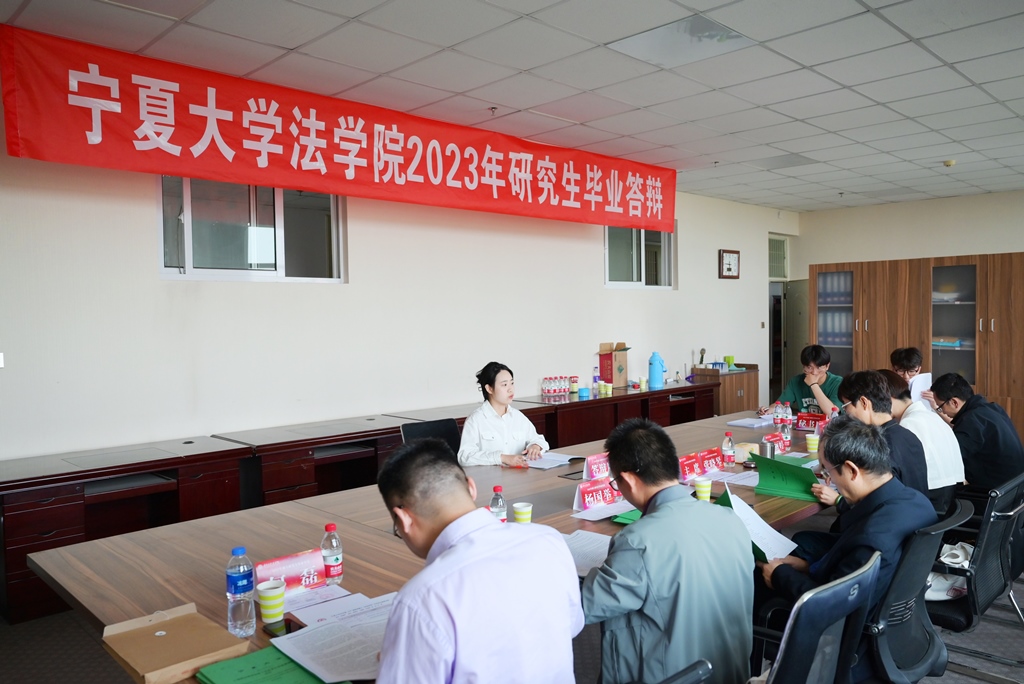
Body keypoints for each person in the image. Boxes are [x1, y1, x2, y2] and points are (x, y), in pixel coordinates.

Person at [377, 438, 583, 683]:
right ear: (471, 488)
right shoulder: (548, 540)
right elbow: (572, 625)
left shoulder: (422, 599)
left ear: (404, 520)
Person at [759, 418, 937, 682]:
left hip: (849, 640)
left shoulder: (871, 539)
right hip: (898, 630)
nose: (828, 480)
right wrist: (809, 567)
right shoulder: (916, 502)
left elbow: (832, 609)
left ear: (852, 470)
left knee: (755, 587)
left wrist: (780, 576)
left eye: (828, 471)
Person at [581, 419, 753, 684]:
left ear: (629, 479)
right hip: (732, 675)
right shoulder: (731, 519)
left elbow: (583, 607)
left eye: (617, 483)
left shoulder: (637, 541)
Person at [877, 369, 964, 514]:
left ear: (888, 398)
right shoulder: (929, 416)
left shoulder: (908, 425)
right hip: (951, 497)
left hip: (931, 500)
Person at [928, 373, 1024, 491]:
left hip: (998, 492)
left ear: (954, 402)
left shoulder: (971, 421)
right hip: (1015, 486)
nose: (942, 411)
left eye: (940, 407)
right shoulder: (992, 408)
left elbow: (952, 458)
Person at [457, 361, 549, 467]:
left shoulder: (518, 417)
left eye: (512, 383)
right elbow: (465, 457)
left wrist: (535, 446)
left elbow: (538, 439)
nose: (510, 389)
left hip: (519, 474)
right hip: (490, 476)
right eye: (504, 385)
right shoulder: (476, 420)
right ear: (489, 388)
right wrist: (502, 458)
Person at [758, 344, 841, 417]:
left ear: (827, 366)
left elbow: (831, 413)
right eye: (809, 367)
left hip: (831, 428)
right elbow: (781, 404)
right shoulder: (795, 381)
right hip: (803, 425)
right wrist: (770, 409)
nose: (814, 372)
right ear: (803, 367)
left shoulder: (838, 382)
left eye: (819, 367)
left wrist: (813, 384)